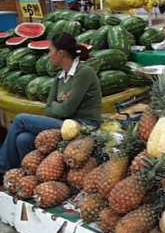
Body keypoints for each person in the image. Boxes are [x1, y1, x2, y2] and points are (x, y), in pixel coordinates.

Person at [0, 32, 102, 175]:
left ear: (61, 53)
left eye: (50, 50)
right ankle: (27, 177)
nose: (48, 55)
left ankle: (2, 167)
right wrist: (59, 106)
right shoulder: (59, 77)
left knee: (20, 119)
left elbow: (66, 110)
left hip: (84, 126)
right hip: (63, 123)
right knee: (23, 139)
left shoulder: (84, 72)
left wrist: (58, 106)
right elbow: (48, 109)